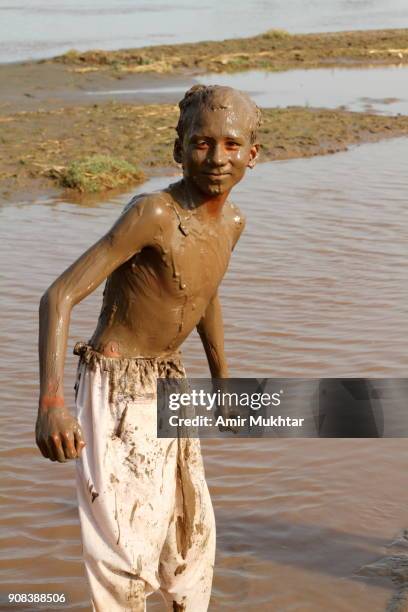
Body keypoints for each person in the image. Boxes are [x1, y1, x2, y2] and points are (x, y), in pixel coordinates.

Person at [35, 84, 261, 611]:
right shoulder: (153, 213)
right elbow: (58, 295)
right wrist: (51, 403)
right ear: (178, 148)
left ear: (253, 154)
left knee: (189, 539)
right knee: (124, 553)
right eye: (202, 143)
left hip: (169, 380)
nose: (217, 158)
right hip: (116, 386)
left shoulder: (232, 222)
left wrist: (222, 380)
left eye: (231, 145)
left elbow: (203, 291)